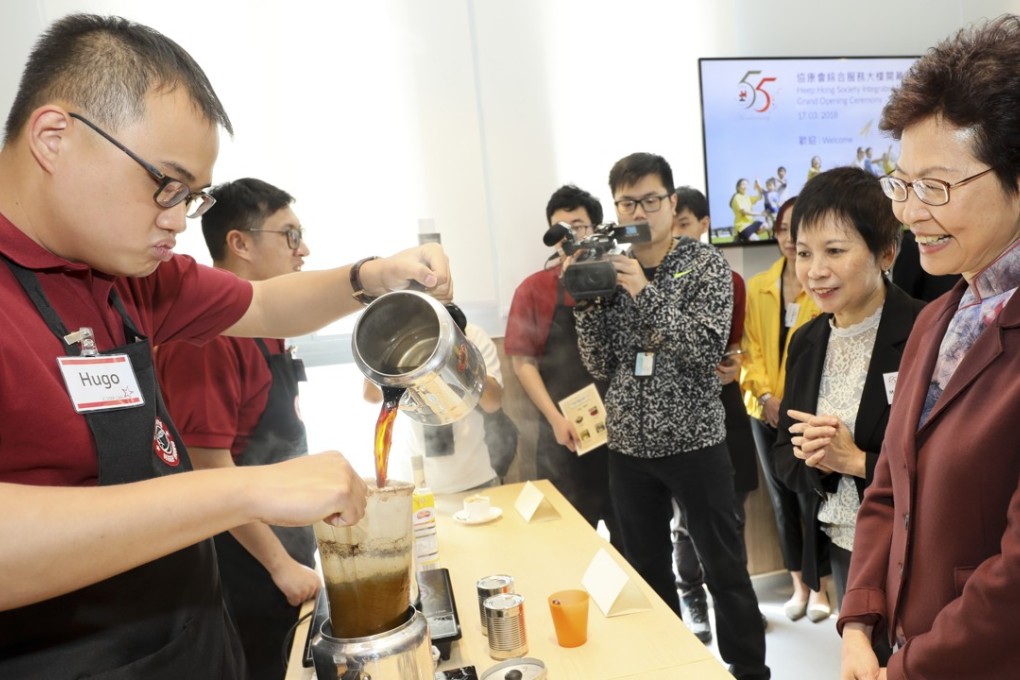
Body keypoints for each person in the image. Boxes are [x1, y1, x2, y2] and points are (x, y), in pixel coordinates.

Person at [0, 15, 450, 678]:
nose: (180, 220)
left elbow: (266, 303)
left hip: (192, 641)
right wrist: (247, 490)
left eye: (193, 196)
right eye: (166, 184)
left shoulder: (123, 274)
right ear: (54, 137)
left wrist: (372, 275)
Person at [839, 15, 1020, 679]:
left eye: (936, 187)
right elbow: (888, 485)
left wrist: (912, 666)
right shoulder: (936, 318)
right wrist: (860, 619)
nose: (910, 212)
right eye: (903, 183)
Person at [573, 153, 768, 680]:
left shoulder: (705, 267)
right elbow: (600, 364)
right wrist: (587, 307)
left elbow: (704, 349)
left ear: (672, 202)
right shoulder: (607, 265)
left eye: (651, 200)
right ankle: (671, 668)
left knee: (724, 569)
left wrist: (643, 289)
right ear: (616, 206)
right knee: (649, 570)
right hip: (629, 450)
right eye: (628, 202)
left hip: (696, 443)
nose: (641, 210)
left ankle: (749, 670)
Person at [154, 178, 320, 680]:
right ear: (240, 243)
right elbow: (209, 466)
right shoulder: (207, 336)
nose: (304, 250)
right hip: (246, 566)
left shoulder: (264, 326)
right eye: (289, 235)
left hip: (284, 547)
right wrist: (279, 566)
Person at [771, 167, 924, 618]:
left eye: (835, 251)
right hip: (842, 545)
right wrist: (814, 463)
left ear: (886, 252)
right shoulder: (806, 340)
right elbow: (785, 456)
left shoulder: (925, 332)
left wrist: (855, 461)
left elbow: (947, 467)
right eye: (804, 253)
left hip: (912, 545)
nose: (815, 271)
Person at [669, 186, 760, 645]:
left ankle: (736, 605)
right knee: (685, 520)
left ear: (705, 224)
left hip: (723, 403)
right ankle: (693, 602)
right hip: (681, 407)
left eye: (685, 223)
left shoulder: (730, 279)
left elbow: (736, 342)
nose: (678, 231)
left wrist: (735, 361)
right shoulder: (658, 278)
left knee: (732, 514)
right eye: (674, 223)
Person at [504, 185, 617, 538]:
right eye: (561, 228)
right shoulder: (534, 288)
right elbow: (523, 362)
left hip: (619, 435)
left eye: (579, 226)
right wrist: (555, 419)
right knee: (568, 539)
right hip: (562, 435)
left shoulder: (618, 278)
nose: (570, 236)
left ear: (596, 229)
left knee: (633, 543)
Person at [741, 195, 829, 622]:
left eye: (798, 230)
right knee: (782, 501)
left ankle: (822, 588)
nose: (790, 239)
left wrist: (789, 403)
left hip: (808, 412)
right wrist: (764, 397)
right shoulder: (758, 285)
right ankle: (797, 584)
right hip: (765, 411)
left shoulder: (823, 286)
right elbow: (749, 349)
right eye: (783, 230)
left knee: (813, 498)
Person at [364, 303, 503, 494]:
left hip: (475, 479)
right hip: (416, 483)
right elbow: (370, 395)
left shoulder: (471, 334)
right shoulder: (398, 337)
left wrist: (461, 363)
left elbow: (493, 403)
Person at [730, 177, 765, 242]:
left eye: (746, 184)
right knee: (756, 240)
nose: (745, 186)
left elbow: (760, 197)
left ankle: (747, 236)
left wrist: (758, 187)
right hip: (742, 226)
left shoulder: (747, 197)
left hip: (750, 223)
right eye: (743, 184)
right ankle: (742, 236)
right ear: (738, 187)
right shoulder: (737, 198)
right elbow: (744, 212)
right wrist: (760, 213)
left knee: (766, 225)